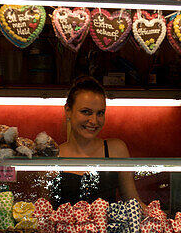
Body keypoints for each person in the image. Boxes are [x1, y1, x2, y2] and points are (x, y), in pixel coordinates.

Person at [54, 76, 140, 205]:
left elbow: (133, 202)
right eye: (86, 112)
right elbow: (44, 210)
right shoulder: (54, 155)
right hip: (64, 226)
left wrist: (161, 219)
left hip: (106, 226)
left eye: (100, 113)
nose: (94, 121)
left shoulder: (116, 150)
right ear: (68, 111)